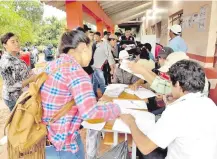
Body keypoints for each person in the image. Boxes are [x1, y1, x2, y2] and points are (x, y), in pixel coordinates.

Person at [40, 30, 120, 159]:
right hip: (64, 145)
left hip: (47, 140)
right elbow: (90, 113)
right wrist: (115, 109)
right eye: (91, 49)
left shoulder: (51, 65)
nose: (91, 56)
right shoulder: (76, 72)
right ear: (83, 47)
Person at [120, 60, 217, 159]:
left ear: (178, 84)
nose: (170, 87)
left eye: (170, 83)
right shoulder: (210, 104)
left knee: (144, 147)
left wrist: (131, 122)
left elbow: (145, 147)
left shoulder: (177, 111)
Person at [0, 32, 36, 111]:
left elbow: (20, 72)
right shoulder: (7, 62)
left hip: (22, 95)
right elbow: (11, 87)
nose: (17, 43)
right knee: (19, 122)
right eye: (12, 42)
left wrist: (30, 73)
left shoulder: (16, 56)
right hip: (14, 99)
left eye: (17, 41)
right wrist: (30, 80)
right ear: (5, 45)